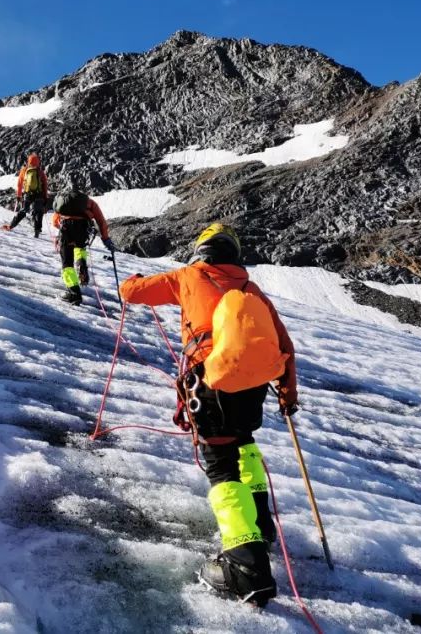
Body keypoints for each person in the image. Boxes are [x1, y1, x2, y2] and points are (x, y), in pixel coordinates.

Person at [118, 223, 298, 606]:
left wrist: (132, 277)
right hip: (252, 388)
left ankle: (246, 564)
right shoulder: (252, 291)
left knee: (220, 464)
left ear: (202, 251)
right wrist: (287, 395)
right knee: (243, 443)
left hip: (208, 382)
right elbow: (285, 346)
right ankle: (261, 526)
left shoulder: (187, 276)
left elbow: (130, 292)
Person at [51, 187, 115, 305]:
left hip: (66, 230)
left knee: (67, 264)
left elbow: (55, 221)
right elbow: (101, 221)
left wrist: (61, 230)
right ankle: (81, 264)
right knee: (80, 248)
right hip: (82, 231)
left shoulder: (63, 202)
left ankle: (74, 293)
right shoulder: (89, 202)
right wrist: (105, 239)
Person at [4, 153, 49, 237]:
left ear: (28, 161)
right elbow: (45, 185)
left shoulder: (24, 170)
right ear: (38, 161)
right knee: (38, 212)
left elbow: (19, 184)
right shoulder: (40, 171)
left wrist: (19, 195)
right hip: (38, 194)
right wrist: (45, 197)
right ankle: (37, 230)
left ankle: (11, 225)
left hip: (28, 194)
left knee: (23, 210)